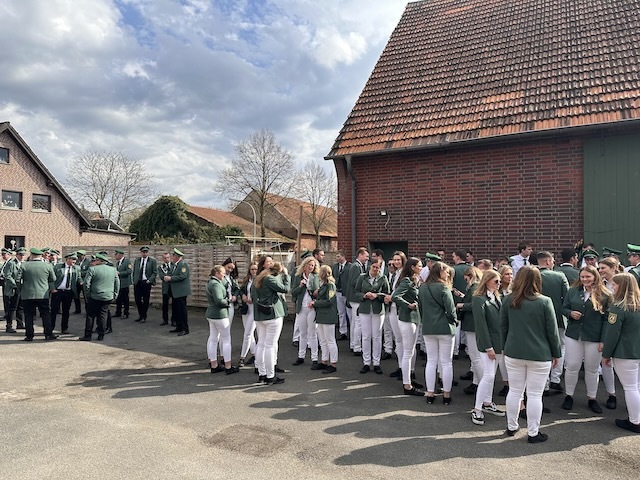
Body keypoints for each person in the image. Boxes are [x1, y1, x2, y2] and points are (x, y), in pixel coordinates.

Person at [501, 266, 561, 443]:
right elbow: (552, 331)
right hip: (539, 353)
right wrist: (556, 353)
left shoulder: (508, 299)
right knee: (534, 395)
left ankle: (511, 426)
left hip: (513, 351)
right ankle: (533, 433)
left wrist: (504, 347)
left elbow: (502, 326)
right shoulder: (544, 301)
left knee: (515, 391)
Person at [561, 265, 611, 413]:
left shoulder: (605, 294)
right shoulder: (573, 291)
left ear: (595, 276)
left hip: (594, 336)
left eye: (588, 276)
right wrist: (570, 313)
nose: (585, 279)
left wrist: (603, 340)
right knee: (572, 365)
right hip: (574, 334)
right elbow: (564, 308)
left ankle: (592, 398)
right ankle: (568, 395)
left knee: (592, 368)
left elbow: (607, 320)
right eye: (582, 277)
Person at [601, 273, 640, 433]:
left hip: (625, 352)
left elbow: (612, 334)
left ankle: (635, 421)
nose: (612, 287)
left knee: (630, 387)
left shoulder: (618, 307)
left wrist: (606, 354)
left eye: (615, 285)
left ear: (621, 287)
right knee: (636, 386)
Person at [470, 269, 506, 425]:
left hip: (498, 342)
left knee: (492, 374)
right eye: (496, 281)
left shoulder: (496, 297)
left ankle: (487, 402)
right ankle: (477, 408)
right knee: (489, 376)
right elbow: (481, 325)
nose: (499, 284)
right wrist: (488, 347)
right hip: (488, 343)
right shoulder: (479, 299)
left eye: (499, 281)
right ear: (487, 281)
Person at [420, 261, 457, 404]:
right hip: (444, 328)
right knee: (446, 362)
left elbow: (421, 308)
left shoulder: (423, 287)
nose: (448, 274)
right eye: (446, 271)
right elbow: (451, 309)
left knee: (431, 361)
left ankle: (430, 393)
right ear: (440, 272)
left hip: (428, 327)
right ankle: (446, 394)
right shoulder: (444, 287)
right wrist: (454, 321)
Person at [537, 251, 570, 394]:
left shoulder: (533, 275)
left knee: (543, 348)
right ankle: (555, 379)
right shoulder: (559, 276)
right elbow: (567, 297)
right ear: (548, 261)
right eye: (552, 260)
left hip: (538, 318)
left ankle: (544, 384)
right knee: (560, 347)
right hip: (558, 317)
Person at [252, 261, 290, 384]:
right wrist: (286, 275)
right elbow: (285, 289)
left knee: (261, 344)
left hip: (260, 315)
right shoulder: (270, 279)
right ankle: (270, 376)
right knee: (270, 346)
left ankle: (262, 373)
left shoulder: (258, 279)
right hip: (272, 315)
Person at [392, 257, 424, 395]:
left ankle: (409, 379)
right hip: (407, 319)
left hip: (414, 318)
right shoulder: (406, 281)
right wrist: (408, 305)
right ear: (412, 267)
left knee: (411, 351)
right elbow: (396, 296)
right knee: (408, 352)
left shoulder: (416, 280)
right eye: (419, 266)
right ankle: (407, 385)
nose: (421, 268)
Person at [353, 257, 390, 374]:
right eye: (374, 267)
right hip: (365, 309)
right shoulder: (362, 277)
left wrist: (377, 295)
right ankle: (366, 362)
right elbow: (356, 292)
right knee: (366, 336)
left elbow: (387, 294)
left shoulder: (383, 278)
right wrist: (364, 296)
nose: (375, 269)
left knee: (377, 336)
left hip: (378, 310)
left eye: (378, 268)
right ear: (370, 266)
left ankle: (376, 362)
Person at [206, 265, 239, 375]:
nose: (224, 275)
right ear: (217, 273)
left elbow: (227, 285)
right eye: (223, 273)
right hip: (219, 314)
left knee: (213, 339)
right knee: (226, 340)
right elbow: (219, 301)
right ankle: (228, 366)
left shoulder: (211, 282)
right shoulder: (215, 284)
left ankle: (214, 365)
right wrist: (229, 300)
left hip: (211, 314)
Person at [79, 253, 119, 341]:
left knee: (90, 315)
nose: (94, 261)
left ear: (99, 261)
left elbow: (86, 283)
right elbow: (117, 283)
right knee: (103, 315)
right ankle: (101, 335)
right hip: (107, 296)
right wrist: (115, 294)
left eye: (96, 260)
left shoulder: (92, 269)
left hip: (94, 296)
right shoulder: (113, 269)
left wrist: (88, 295)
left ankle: (88, 335)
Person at [20, 248, 56, 341]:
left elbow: (17, 279)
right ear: (41, 256)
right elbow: (53, 279)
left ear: (32, 255)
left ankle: (29, 335)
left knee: (28, 315)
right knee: (45, 314)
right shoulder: (48, 266)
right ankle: (48, 334)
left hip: (27, 294)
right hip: (42, 294)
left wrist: (21, 289)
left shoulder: (24, 265)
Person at [457, 266, 483, 395]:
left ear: (470, 276)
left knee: (475, 357)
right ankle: (476, 383)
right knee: (476, 357)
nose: (465, 281)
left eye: (466, 278)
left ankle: (483, 383)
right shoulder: (478, 287)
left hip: (471, 324)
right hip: (474, 324)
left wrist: (461, 305)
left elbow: (475, 305)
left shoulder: (474, 287)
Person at [291, 256, 320, 367]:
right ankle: (301, 356)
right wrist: (300, 286)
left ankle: (314, 358)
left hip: (312, 308)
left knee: (312, 333)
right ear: (304, 265)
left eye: (313, 265)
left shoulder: (316, 277)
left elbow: (318, 292)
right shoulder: (298, 277)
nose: (311, 267)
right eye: (309, 265)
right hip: (301, 308)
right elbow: (293, 292)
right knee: (302, 333)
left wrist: (313, 292)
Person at [309, 264, 339, 373]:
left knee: (330, 340)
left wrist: (315, 303)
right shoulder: (323, 285)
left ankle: (333, 363)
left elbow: (329, 301)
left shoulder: (330, 285)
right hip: (321, 315)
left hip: (328, 316)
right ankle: (324, 361)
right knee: (322, 340)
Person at [345, 247, 369, 355]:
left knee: (355, 322)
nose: (367, 258)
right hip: (355, 298)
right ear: (360, 255)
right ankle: (357, 347)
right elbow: (354, 282)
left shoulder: (357, 266)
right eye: (366, 256)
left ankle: (353, 344)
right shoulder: (356, 266)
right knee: (357, 322)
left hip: (353, 298)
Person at [387, 251, 408, 379]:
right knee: (398, 340)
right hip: (393, 308)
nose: (396, 262)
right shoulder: (395, 274)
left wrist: (391, 297)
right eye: (395, 260)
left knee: (406, 342)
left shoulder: (406, 274)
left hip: (402, 309)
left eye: (399, 260)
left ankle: (408, 370)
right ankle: (401, 367)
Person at [50, 252, 80, 334]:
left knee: (66, 311)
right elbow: (51, 278)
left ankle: (64, 328)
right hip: (57, 291)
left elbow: (79, 277)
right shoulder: (58, 267)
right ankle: (50, 328)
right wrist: (52, 288)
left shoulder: (77, 268)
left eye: (75, 260)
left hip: (68, 292)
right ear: (68, 259)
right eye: (73, 259)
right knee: (54, 310)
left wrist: (81, 282)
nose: (74, 261)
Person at [164, 248, 191, 336]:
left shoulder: (183, 265)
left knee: (182, 311)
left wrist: (171, 278)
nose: (172, 257)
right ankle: (179, 326)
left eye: (174, 255)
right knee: (177, 310)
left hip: (181, 292)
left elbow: (182, 276)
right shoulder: (175, 265)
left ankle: (185, 328)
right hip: (175, 292)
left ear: (178, 257)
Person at [496, 265, 513, 396]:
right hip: (499, 326)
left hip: (512, 327)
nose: (510, 276)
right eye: (507, 274)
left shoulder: (515, 290)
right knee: (501, 357)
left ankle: (513, 383)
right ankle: (506, 383)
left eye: (511, 274)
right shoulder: (498, 292)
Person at [238, 262, 258, 367]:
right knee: (249, 334)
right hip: (246, 309)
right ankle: (255, 355)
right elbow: (241, 290)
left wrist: (253, 299)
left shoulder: (259, 280)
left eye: (256, 269)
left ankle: (242, 357)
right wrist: (243, 295)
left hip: (255, 309)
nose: (254, 271)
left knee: (247, 334)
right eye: (252, 269)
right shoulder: (247, 280)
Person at [132, 246, 158, 323]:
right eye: (143, 252)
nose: (145, 253)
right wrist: (134, 280)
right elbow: (134, 271)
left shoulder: (152, 261)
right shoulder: (137, 260)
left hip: (146, 282)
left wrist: (150, 280)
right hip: (138, 282)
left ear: (148, 253)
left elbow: (155, 272)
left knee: (146, 300)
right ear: (141, 253)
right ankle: (140, 315)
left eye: (146, 252)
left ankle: (144, 316)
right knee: (137, 300)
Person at [331, 251, 351, 341]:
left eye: (338, 256)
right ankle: (343, 332)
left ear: (343, 256)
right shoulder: (335, 267)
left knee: (349, 313)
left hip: (347, 293)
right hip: (338, 292)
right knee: (341, 313)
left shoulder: (350, 266)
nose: (337, 258)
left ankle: (352, 332)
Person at [114, 248, 132, 319]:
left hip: (125, 283)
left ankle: (126, 313)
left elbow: (129, 271)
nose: (115, 256)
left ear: (119, 255)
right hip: (119, 284)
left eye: (116, 254)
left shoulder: (127, 262)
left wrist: (120, 273)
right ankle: (118, 312)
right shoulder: (118, 263)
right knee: (118, 299)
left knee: (125, 299)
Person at [222, 257, 239, 324]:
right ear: (224, 265)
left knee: (228, 324)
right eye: (228, 267)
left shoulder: (232, 277)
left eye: (232, 269)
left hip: (230, 303)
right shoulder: (220, 276)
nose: (230, 270)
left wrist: (235, 295)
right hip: (222, 303)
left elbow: (237, 288)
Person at [159, 252, 173, 326]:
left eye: (168, 257)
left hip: (174, 287)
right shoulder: (161, 267)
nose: (166, 259)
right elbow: (161, 276)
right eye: (165, 258)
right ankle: (165, 320)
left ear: (170, 258)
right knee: (165, 305)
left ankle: (174, 320)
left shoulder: (174, 265)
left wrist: (169, 277)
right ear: (163, 259)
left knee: (174, 305)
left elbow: (174, 275)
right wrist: (166, 277)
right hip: (165, 288)